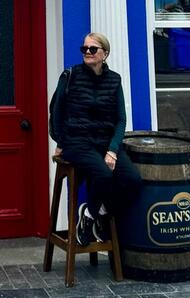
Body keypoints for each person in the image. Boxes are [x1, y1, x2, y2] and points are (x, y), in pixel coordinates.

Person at [48, 31, 141, 245]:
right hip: (78, 142)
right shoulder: (70, 75)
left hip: (105, 143)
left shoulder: (114, 80)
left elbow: (121, 119)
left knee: (133, 181)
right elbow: (57, 112)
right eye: (85, 48)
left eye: (93, 49)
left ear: (104, 53)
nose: (87, 52)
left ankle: (95, 211)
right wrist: (61, 142)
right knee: (104, 175)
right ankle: (89, 219)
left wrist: (113, 150)